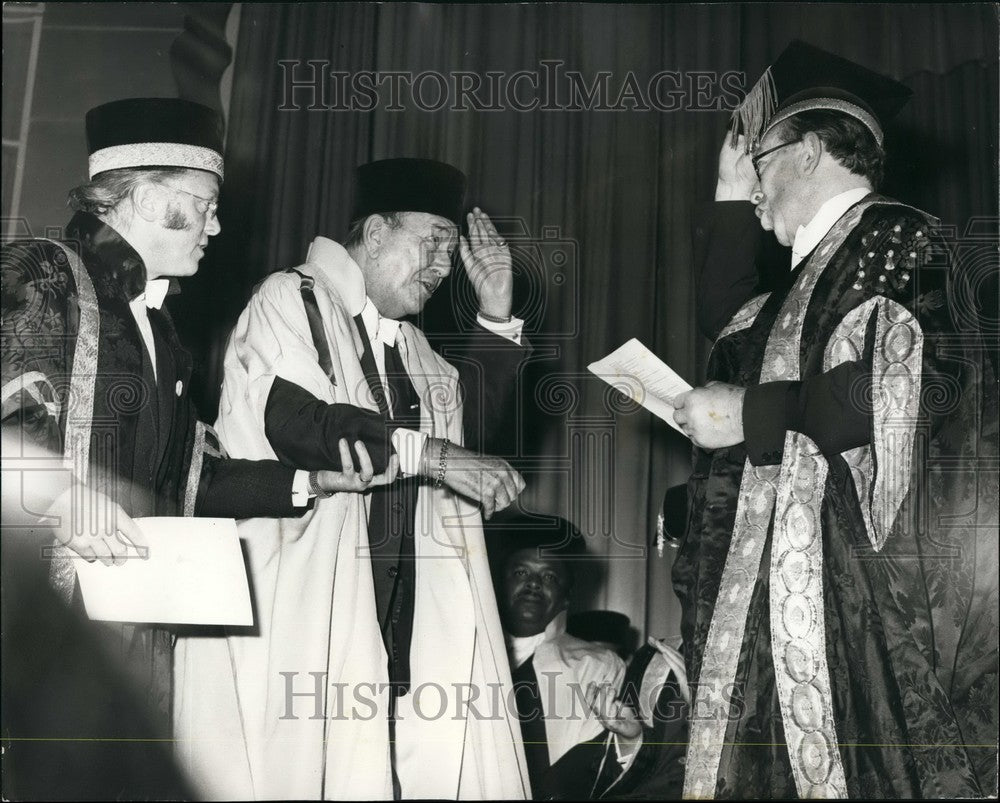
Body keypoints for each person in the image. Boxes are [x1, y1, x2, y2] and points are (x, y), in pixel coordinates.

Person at [0, 98, 382, 799]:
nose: (217, 225)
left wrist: (310, 483)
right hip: (37, 625)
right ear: (144, 197)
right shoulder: (44, 275)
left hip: (133, 638)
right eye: (203, 204)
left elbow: (191, 479)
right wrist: (65, 497)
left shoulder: (167, 338)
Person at [671, 41, 998, 798]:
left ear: (811, 151)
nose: (755, 188)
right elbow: (734, 330)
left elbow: (909, 394)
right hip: (782, 610)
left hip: (858, 614)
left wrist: (754, 410)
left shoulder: (901, 239)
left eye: (763, 162)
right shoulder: (809, 275)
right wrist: (727, 192)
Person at [174, 158, 531, 799]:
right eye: (433, 242)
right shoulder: (291, 298)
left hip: (399, 633)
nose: (445, 266)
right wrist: (440, 458)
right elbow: (300, 424)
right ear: (373, 235)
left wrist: (498, 315)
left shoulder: (413, 348)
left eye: (451, 249)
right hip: (300, 618)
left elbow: (466, 433)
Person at [491, 517, 626, 799]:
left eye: (549, 577)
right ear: (496, 585)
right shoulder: (469, 655)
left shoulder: (596, 666)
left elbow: (600, 765)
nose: (534, 585)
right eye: (520, 573)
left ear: (566, 598)